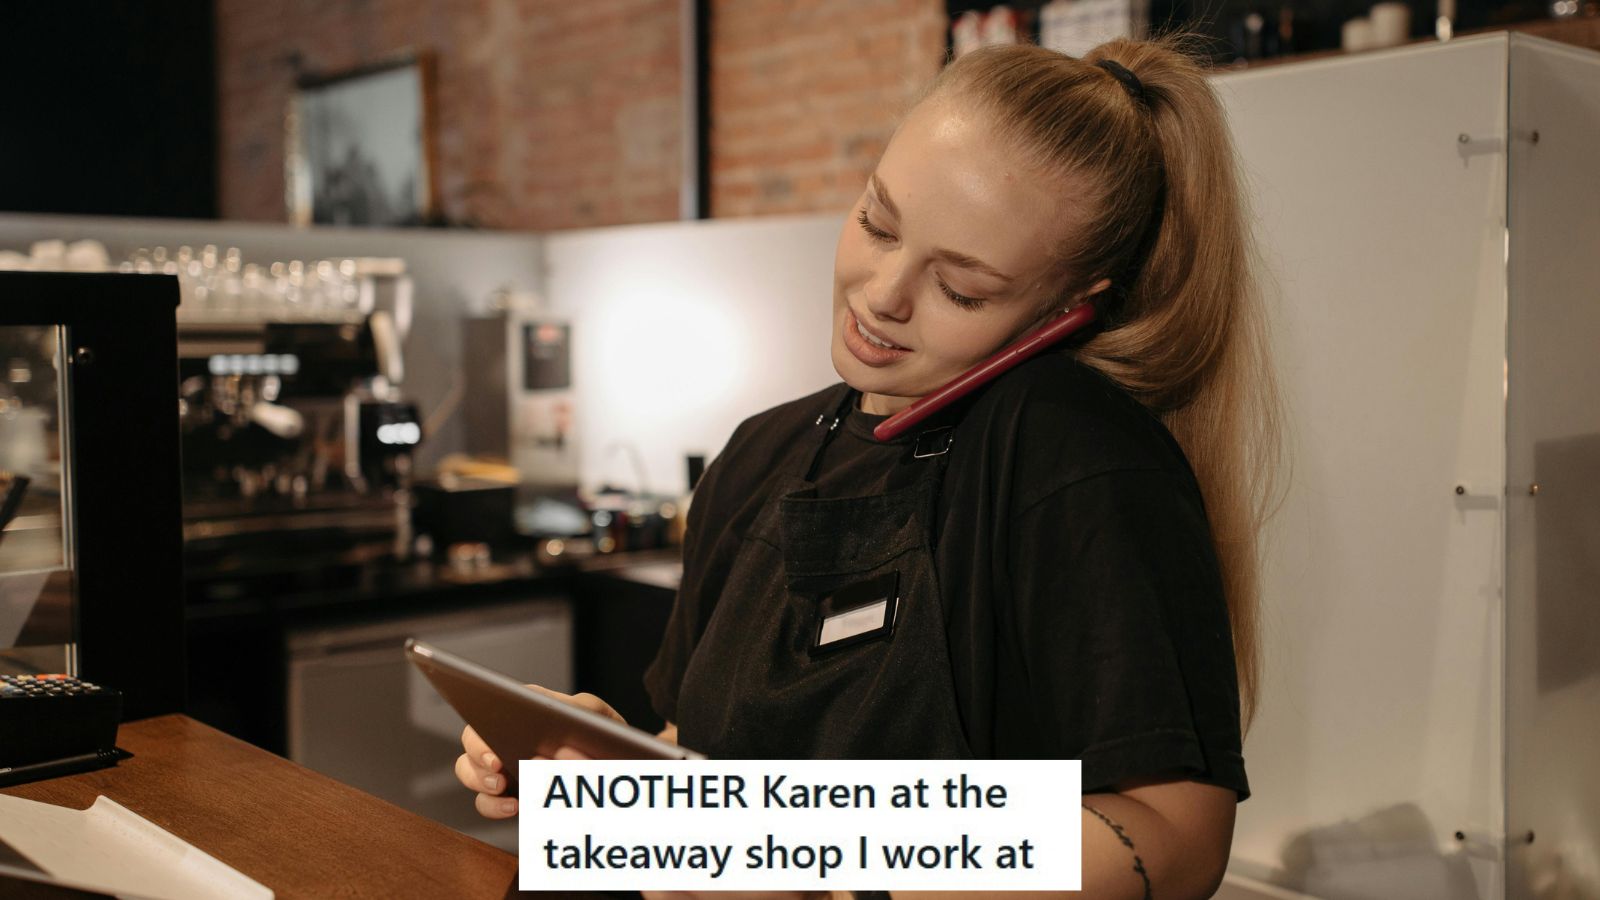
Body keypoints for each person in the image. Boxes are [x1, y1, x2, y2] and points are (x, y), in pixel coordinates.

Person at [457, 34, 1280, 900]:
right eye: (876, 223)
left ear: (1071, 307)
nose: (883, 294)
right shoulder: (762, 452)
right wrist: (612, 774)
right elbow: (699, 765)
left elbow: (1176, 843)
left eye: (962, 288)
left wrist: (810, 859)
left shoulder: (1072, 453)